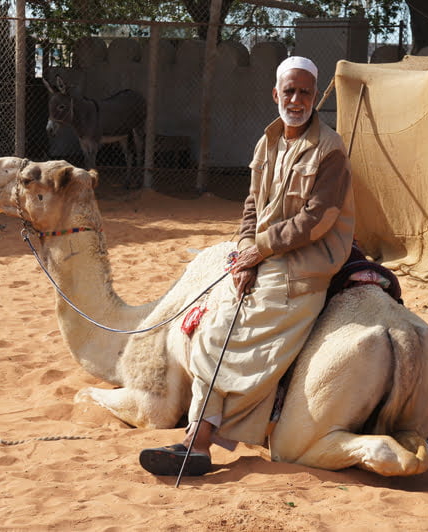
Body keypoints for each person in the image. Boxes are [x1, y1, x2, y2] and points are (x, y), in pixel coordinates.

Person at [139, 56, 355, 476]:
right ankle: (197, 440)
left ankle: (197, 440)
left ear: (315, 97)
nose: (296, 99)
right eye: (289, 91)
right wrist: (241, 252)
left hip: (302, 265)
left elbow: (318, 218)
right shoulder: (266, 143)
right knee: (213, 324)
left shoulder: (330, 149)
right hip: (263, 256)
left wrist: (259, 250)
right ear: (276, 94)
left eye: (305, 91)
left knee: (226, 338)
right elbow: (252, 206)